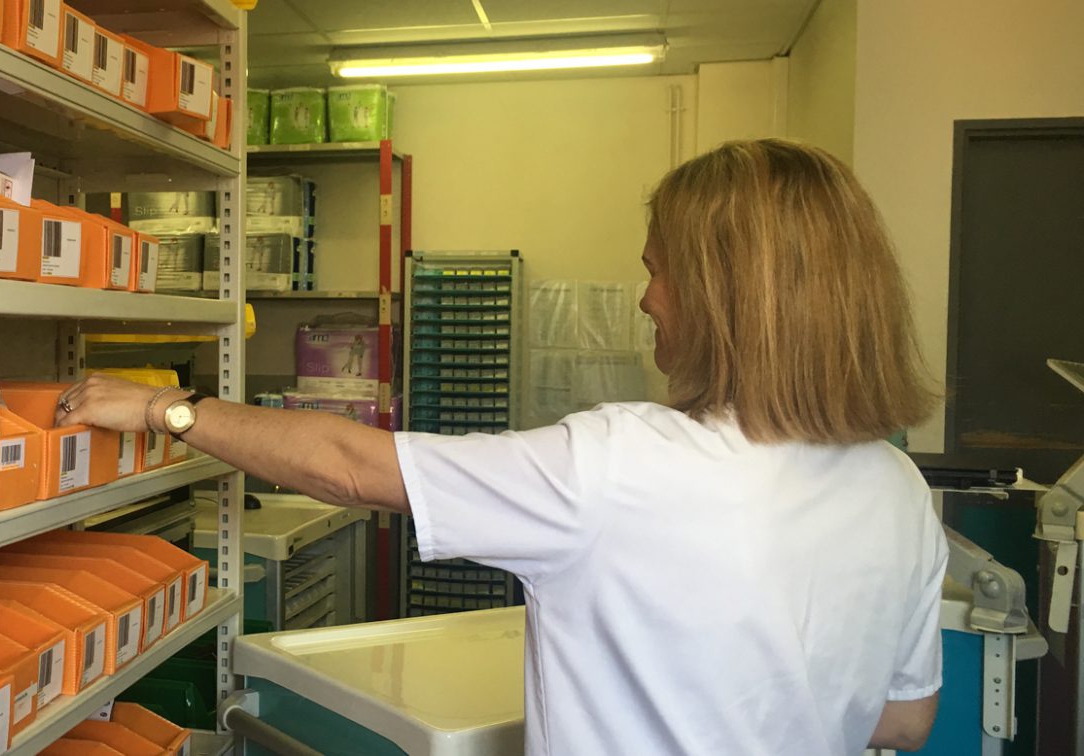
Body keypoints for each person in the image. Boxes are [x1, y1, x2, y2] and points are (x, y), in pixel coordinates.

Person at [55, 139, 946, 755]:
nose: (647, 300)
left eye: (657, 271)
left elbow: (351, 466)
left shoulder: (623, 466)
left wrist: (165, 409)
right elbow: (905, 721)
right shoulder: (899, 488)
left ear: (724, 296)